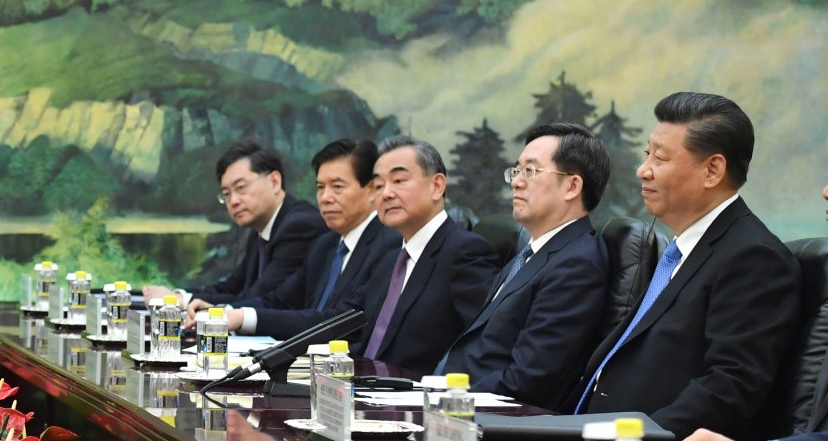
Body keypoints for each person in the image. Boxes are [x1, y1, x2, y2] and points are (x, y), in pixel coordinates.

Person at [570, 92, 798, 440]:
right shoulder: (680, 250)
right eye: (648, 153)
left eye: (659, 158)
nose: (642, 169)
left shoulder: (753, 258)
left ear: (712, 170)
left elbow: (729, 387)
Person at [438, 123, 611, 410]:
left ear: (572, 186)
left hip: (486, 423)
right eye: (516, 171)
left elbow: (527, 380)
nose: (516, 182)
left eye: (530, 171)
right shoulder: (533, 252)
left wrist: (445, 402)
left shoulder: (577, 265)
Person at [222, 139, 401, 339]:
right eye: (320, 187)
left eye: (337, 186)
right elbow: (280, 301)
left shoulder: (389, 245)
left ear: (371, 190)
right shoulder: (325, 245)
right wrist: (224, 313)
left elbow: (342, 321)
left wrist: (244, 317)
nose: (325, 197)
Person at [352, 137, 500, 375]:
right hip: (362, 391)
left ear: (437, 186)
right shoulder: (390, 261)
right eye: (378, 186)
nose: (386, 194)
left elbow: (486, 346)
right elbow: (352, 326)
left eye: (398, 180)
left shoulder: (465, 253)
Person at [143, 141, 328, 312]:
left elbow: (259, 299)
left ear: (274, 182)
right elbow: (233, 286)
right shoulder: (260, 229)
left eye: (241, 188)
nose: (234, 201)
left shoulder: (299, 227)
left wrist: (184, 302)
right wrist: (178, 296)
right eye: (226, 194)